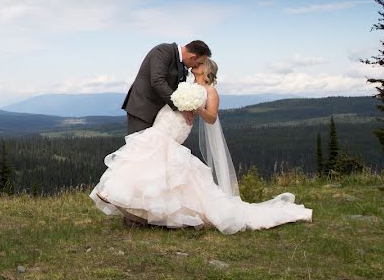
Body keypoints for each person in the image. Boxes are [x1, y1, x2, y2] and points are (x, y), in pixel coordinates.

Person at [91, 59, 313, 234]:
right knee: (150, 157)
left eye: (200, 64)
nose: (195, 65)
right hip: (165, 119)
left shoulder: (211, 92)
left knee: (164, 159)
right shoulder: (186, 84)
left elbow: (211, 117)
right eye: (196, 63)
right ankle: (135, 209)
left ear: (207, 70)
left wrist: (196, 107)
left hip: (176, 127)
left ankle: (158, 213)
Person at [122, 41, 212, 135]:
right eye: (199, 63)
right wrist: (181, 107)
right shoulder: (163, 51)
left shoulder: (182, 63)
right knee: (139, 146)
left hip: (161, 115)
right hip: (143, 109)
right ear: (192, 57)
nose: (197, 66)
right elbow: (158, 81)